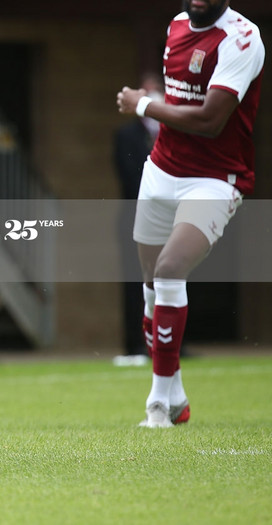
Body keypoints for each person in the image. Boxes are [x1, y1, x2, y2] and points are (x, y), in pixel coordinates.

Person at [116, 0, 263, 429]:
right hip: (161, 171)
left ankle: (158, 404)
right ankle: (175, 392)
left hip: (215, 179)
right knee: (149, 287)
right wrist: (155, 106)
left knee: (170, 269)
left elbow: (209, 120)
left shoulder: (242, 39)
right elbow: (180, 107)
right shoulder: (176, 27)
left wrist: (143, 105)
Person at [113, 72, 162, 360]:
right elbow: (129, 178)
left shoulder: (173, 131)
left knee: (170, 279)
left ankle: (172, 344)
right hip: (136, 217)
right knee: (136, 284)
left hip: (169, 218)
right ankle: (136, 344)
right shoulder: (126, 135)